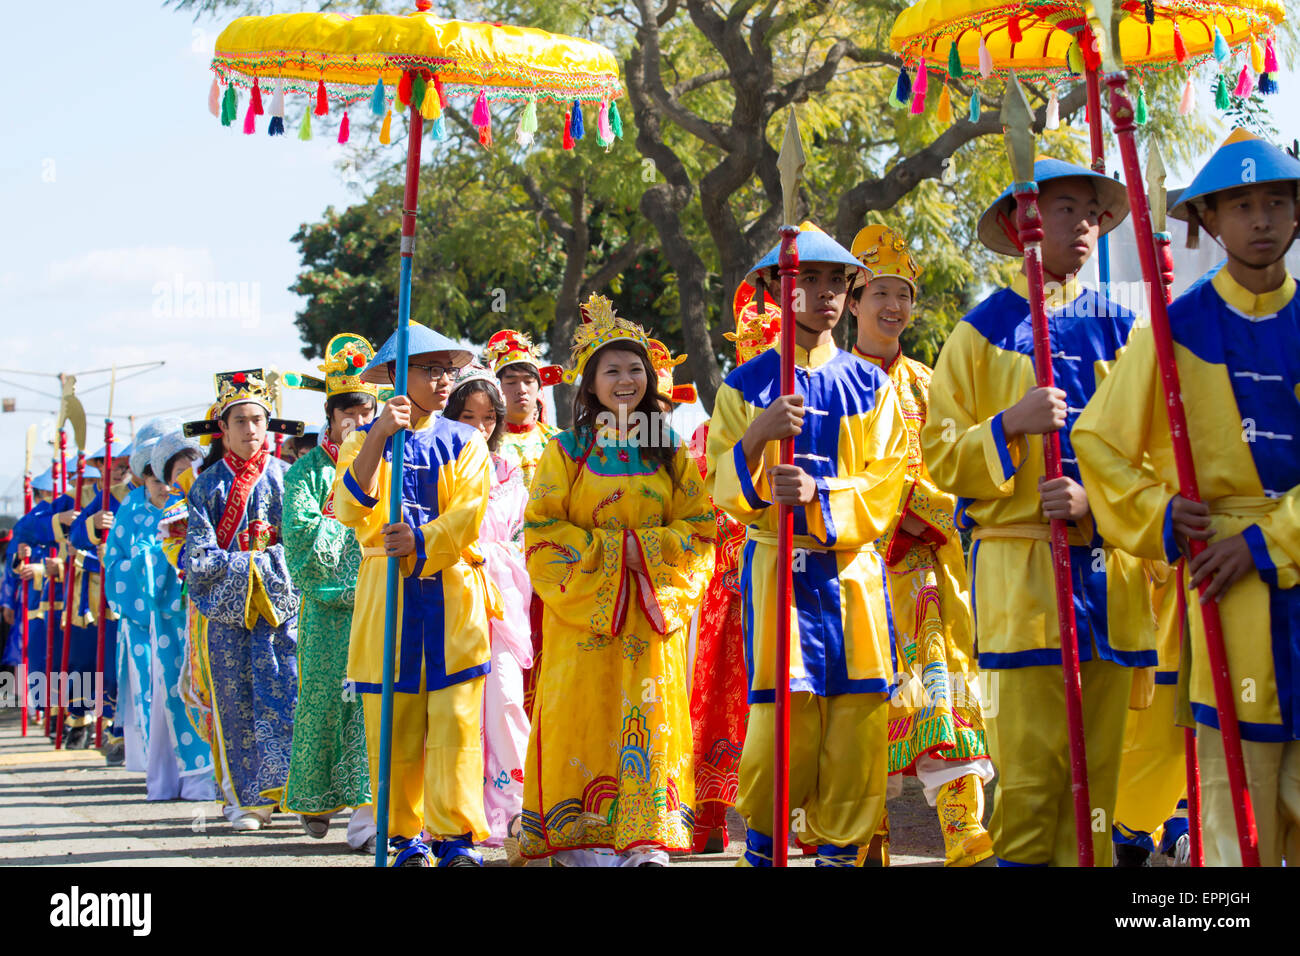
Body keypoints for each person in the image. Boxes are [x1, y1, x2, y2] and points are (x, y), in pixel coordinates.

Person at [1074, 129, 1300, 866]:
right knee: (1235, 801)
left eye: (1275, 202)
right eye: (1240, 206)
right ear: (1208, 222)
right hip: (1226, 600)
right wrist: (1163, 513)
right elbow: (1098, 441)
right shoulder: (1177, 327)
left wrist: (1266, 544)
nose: (1260, 220)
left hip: (1276, 559)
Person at [921, 158, 1155, 867]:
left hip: (1110, 580)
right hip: (1020, 575)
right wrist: (1009, 426)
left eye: (1092, 210)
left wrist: (1098, 507)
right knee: (1028, 781)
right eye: (1065, 209)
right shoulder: (981, 332)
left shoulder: (1124, 325)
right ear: (1022, 221)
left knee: (1101, 792)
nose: (1083, 222)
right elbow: (939, 454)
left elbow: (1162, 454)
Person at [708, 224, 909, 867]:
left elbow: (888, 482)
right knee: (777, 723)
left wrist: (820, 497)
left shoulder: (873, 387)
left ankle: (841, 852)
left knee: (856, 721)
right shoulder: (744, 386)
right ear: (775, 289)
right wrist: (758, 439)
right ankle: (765, 846)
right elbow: (720, 483)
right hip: (778, 573)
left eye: (834, 281)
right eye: (806, 279)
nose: (823, 293)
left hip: (851, 575)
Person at [520, 294, 715, 866]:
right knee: (583, 716)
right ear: (591, 383)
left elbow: (703, 527)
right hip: (584, 621)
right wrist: (612, 552)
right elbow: (541, 531)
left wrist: (647, 551)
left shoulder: (670, 452)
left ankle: (647, 839)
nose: (625, 380)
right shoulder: (565, 452)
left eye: (635, 370)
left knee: (647, 716)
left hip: (652, 616)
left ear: (649, 379)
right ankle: (586, 843)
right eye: (613, 370)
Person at [846, 223, 996, 867]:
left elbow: (951, 465)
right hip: (849, 566)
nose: (894, 306)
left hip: (922, 571)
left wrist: (921, 514)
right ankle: (862, 832)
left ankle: (961, 825)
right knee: (855, 698)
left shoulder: (929, 385)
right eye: (880, 291)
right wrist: (879, 515)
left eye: (903, 294)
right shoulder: (828, 383)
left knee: (940, 689)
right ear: (853, 301)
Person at [333, 324, 494, 867]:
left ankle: (456, 838)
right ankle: (403, 837)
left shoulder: (467, 440)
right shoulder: (360, 442)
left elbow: (471, 513)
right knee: (394, 729)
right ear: (396, 378)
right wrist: (379, 434)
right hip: (387, 599)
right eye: (429, 369)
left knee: (455, 726)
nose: (443, 379)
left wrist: (423, 540)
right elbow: (351, 510)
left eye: (447, 369)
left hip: (454, 598)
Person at [184, 372, 303, 831]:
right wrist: (249, 570)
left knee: (285, 694)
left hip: (280, 612)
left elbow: (301, 546)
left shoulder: (288, 479)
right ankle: (245, 800)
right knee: (234, 704)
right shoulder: (205, 486)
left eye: (258, 420)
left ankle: (289, 793)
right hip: (227, 615)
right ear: (223, 428)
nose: (251, 430)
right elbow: (198, 557)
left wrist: (263, 568)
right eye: (240, 421)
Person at [682, 286, 777, 855]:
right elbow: (700, 504)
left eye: (762, 348)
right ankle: (708, 816)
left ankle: (786, 820)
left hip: (779, 568)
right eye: (747, 350)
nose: (752, 359)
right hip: (723, 579)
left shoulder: (806, 411)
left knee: (776, 693)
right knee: (716, 695)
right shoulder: (704, 432)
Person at [281, 334, 378, 851]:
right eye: (348, 413)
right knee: (324, 703)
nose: (357, 422)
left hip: (382, 606)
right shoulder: (306, 472)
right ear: (331, 415)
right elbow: (302, 538)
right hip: (327, 611)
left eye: (366, 410)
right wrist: (362, 543)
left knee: (370, 706)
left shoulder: (387, 462)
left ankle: (367, 819)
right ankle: (319, 798)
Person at [442, 367, 533, 853]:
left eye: (487, 418)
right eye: (466, 416)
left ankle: (518, 811)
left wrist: (483, 553)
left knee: (503, 699)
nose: (477, 427)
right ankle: (457, 815)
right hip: (447, 599)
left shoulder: (509, 469)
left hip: (497, 599)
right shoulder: (430, 462)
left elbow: (506, 530)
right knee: (455, 710)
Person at [67, 442, 132, 761]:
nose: (119, 471)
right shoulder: (110, 497)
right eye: (114, 466)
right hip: (106, 596)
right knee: (108, 668)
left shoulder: (168, 494)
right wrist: (93, 526)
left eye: (123, 465)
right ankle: (115, 733)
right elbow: (76, 536)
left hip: (150, 593)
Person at [485, 329, 562, 489]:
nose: (521, 389)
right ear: (497, 388)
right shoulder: (485, 443)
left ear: (539, 387)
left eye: (528, 381)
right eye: (511, 382)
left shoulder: (559, 441)